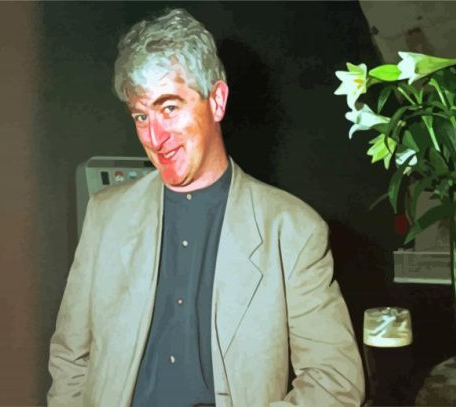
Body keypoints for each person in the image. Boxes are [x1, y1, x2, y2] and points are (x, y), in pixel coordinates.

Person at [47, 8, 365, 407]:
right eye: (141, 116)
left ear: (217, 101)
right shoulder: (105, 216)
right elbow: (70, 359)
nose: (155, 137)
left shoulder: (292, 230)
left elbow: (335, 380)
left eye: (169, 108)